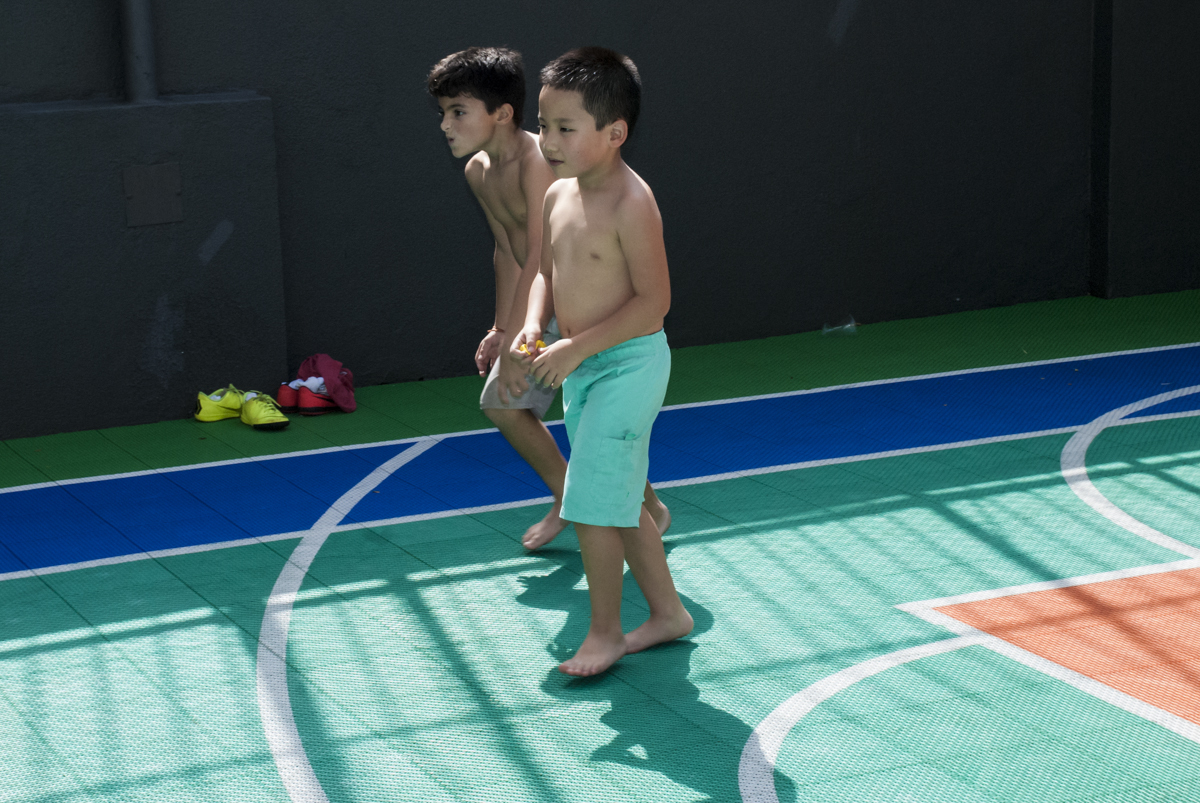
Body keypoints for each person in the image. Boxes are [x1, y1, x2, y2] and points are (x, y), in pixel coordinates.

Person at [428, 47, 669, 551]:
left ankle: (579, 504)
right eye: (443, 113)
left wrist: (524, 337)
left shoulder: (547, 166)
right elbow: (510, 253)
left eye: (458, 111)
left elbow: (544, 256)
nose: (446, 124)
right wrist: (502, 330)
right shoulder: (480, 171)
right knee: (591, 436)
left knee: (511, 406)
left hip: (579, 316)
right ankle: (631, 507)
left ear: (502, 113)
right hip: (546, 310)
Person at [514, 47, 692, 676]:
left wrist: (576, 346)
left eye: (566, 127)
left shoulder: (631, 203)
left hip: (629, 366)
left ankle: (606, 632)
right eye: (543, 124)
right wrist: (536, 324)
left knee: (590, 503)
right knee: (619, 498)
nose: (549, 139)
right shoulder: (558, 195)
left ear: (615, 134)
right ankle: (669, 615)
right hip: (583, 369)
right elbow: (544, 274)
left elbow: (654, 304)